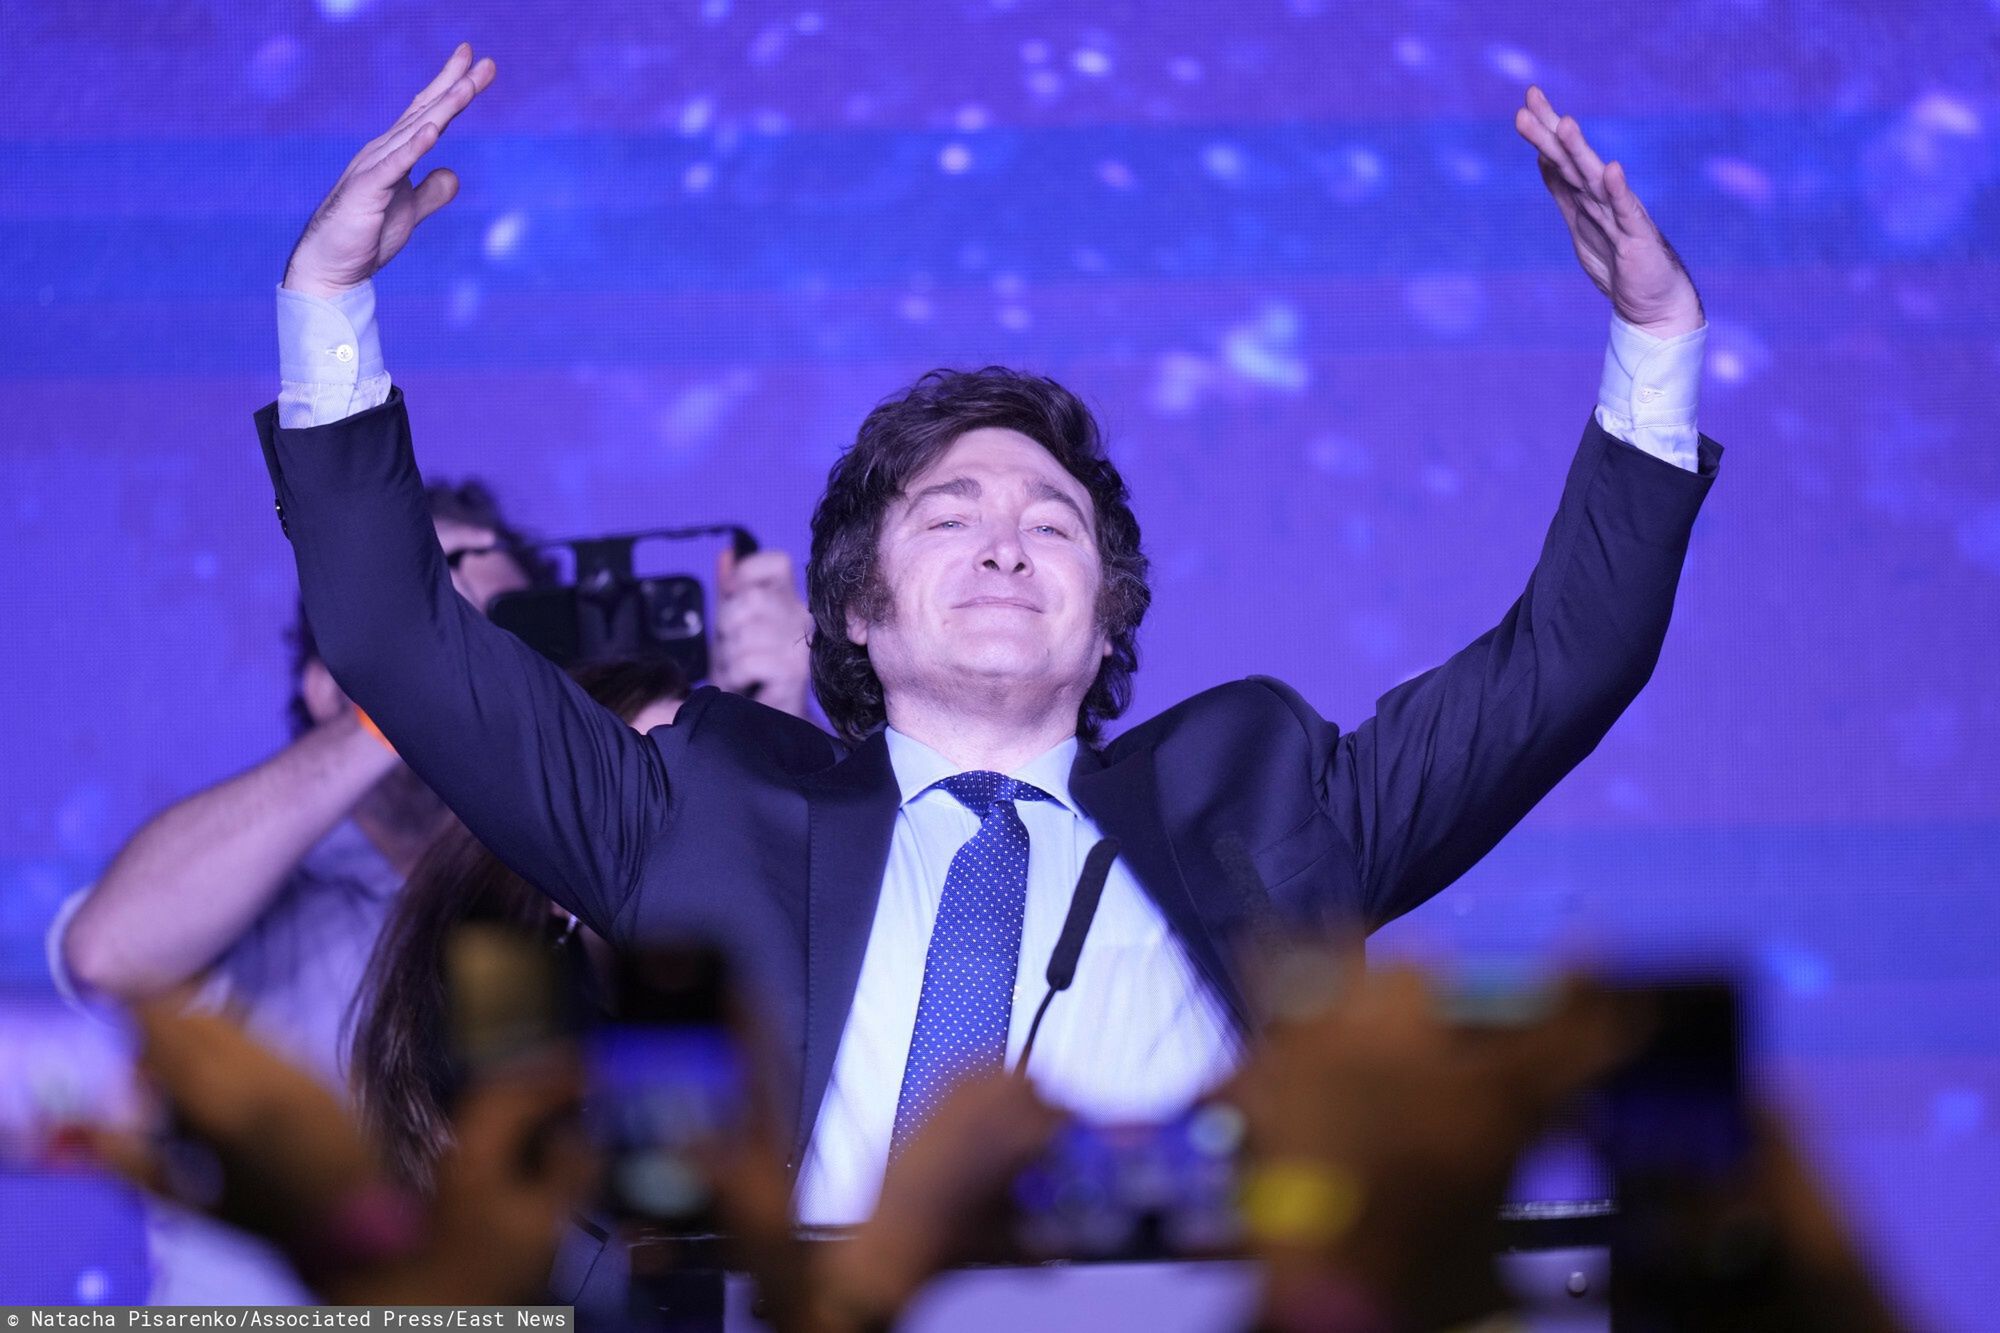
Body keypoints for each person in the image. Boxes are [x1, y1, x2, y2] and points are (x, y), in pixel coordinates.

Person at [261, 45, 1721, 1228]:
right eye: (948, 513)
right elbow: (395, 632)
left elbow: (1567, 660)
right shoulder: (701, 804)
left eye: (1056, 519)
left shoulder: (1268, 797)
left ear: (1108, 621)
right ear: (853, 607)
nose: (1009, 536)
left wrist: (1653, 341)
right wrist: (328, 301)